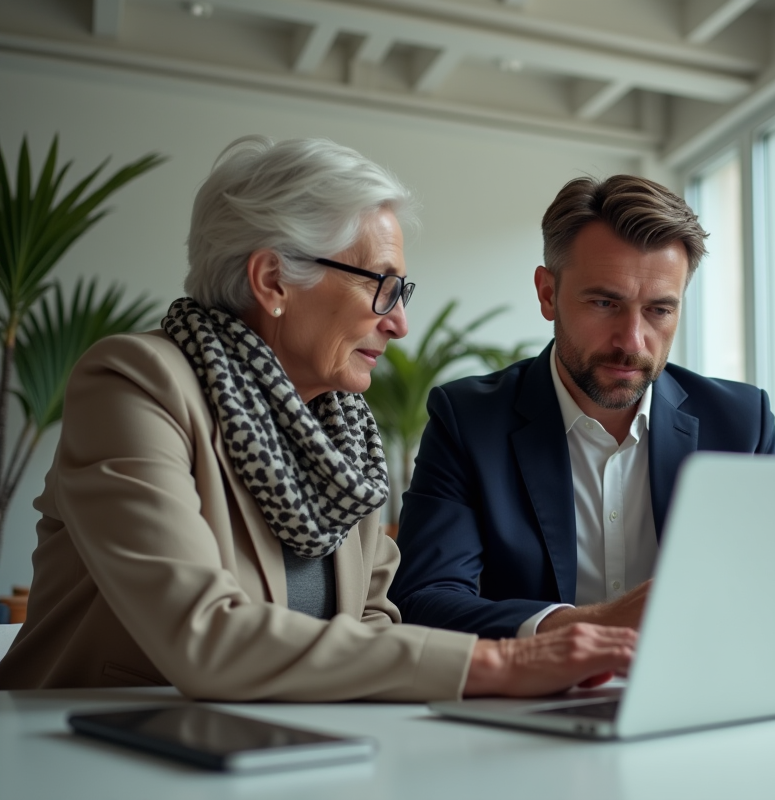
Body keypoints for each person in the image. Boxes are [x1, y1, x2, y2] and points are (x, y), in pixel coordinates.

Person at [0, 136, 634, 700]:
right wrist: (504, 662)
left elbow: (376, 622)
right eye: (381, 285)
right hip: (93, 754)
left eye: (402, 292)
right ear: (274, 280)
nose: (399, 322)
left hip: (285, 753)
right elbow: (205, 635)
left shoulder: (340, 429)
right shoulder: (136, 383)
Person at [390, 175, 775, 639]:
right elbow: (423, 600)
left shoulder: (743, 423)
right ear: (547, 293)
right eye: (604, 302)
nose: (632, 342)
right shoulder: (468, 422)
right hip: (535, 701)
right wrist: (591, 625)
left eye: (659, 310)